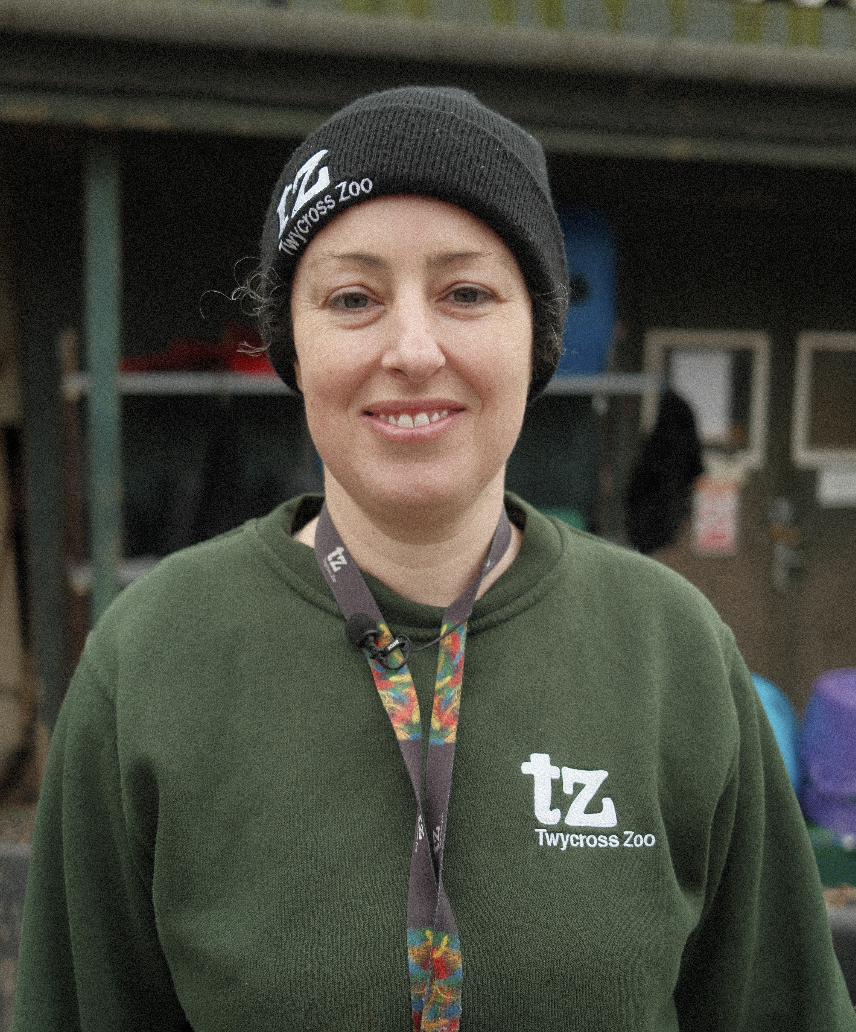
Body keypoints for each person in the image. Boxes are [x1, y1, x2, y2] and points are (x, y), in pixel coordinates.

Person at [12, 87, 855, 1032]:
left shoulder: (671, 651)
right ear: (293, 344)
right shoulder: (152, 658)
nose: (412, 350)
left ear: (536, 334)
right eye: (352, 299)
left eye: (466, 293)